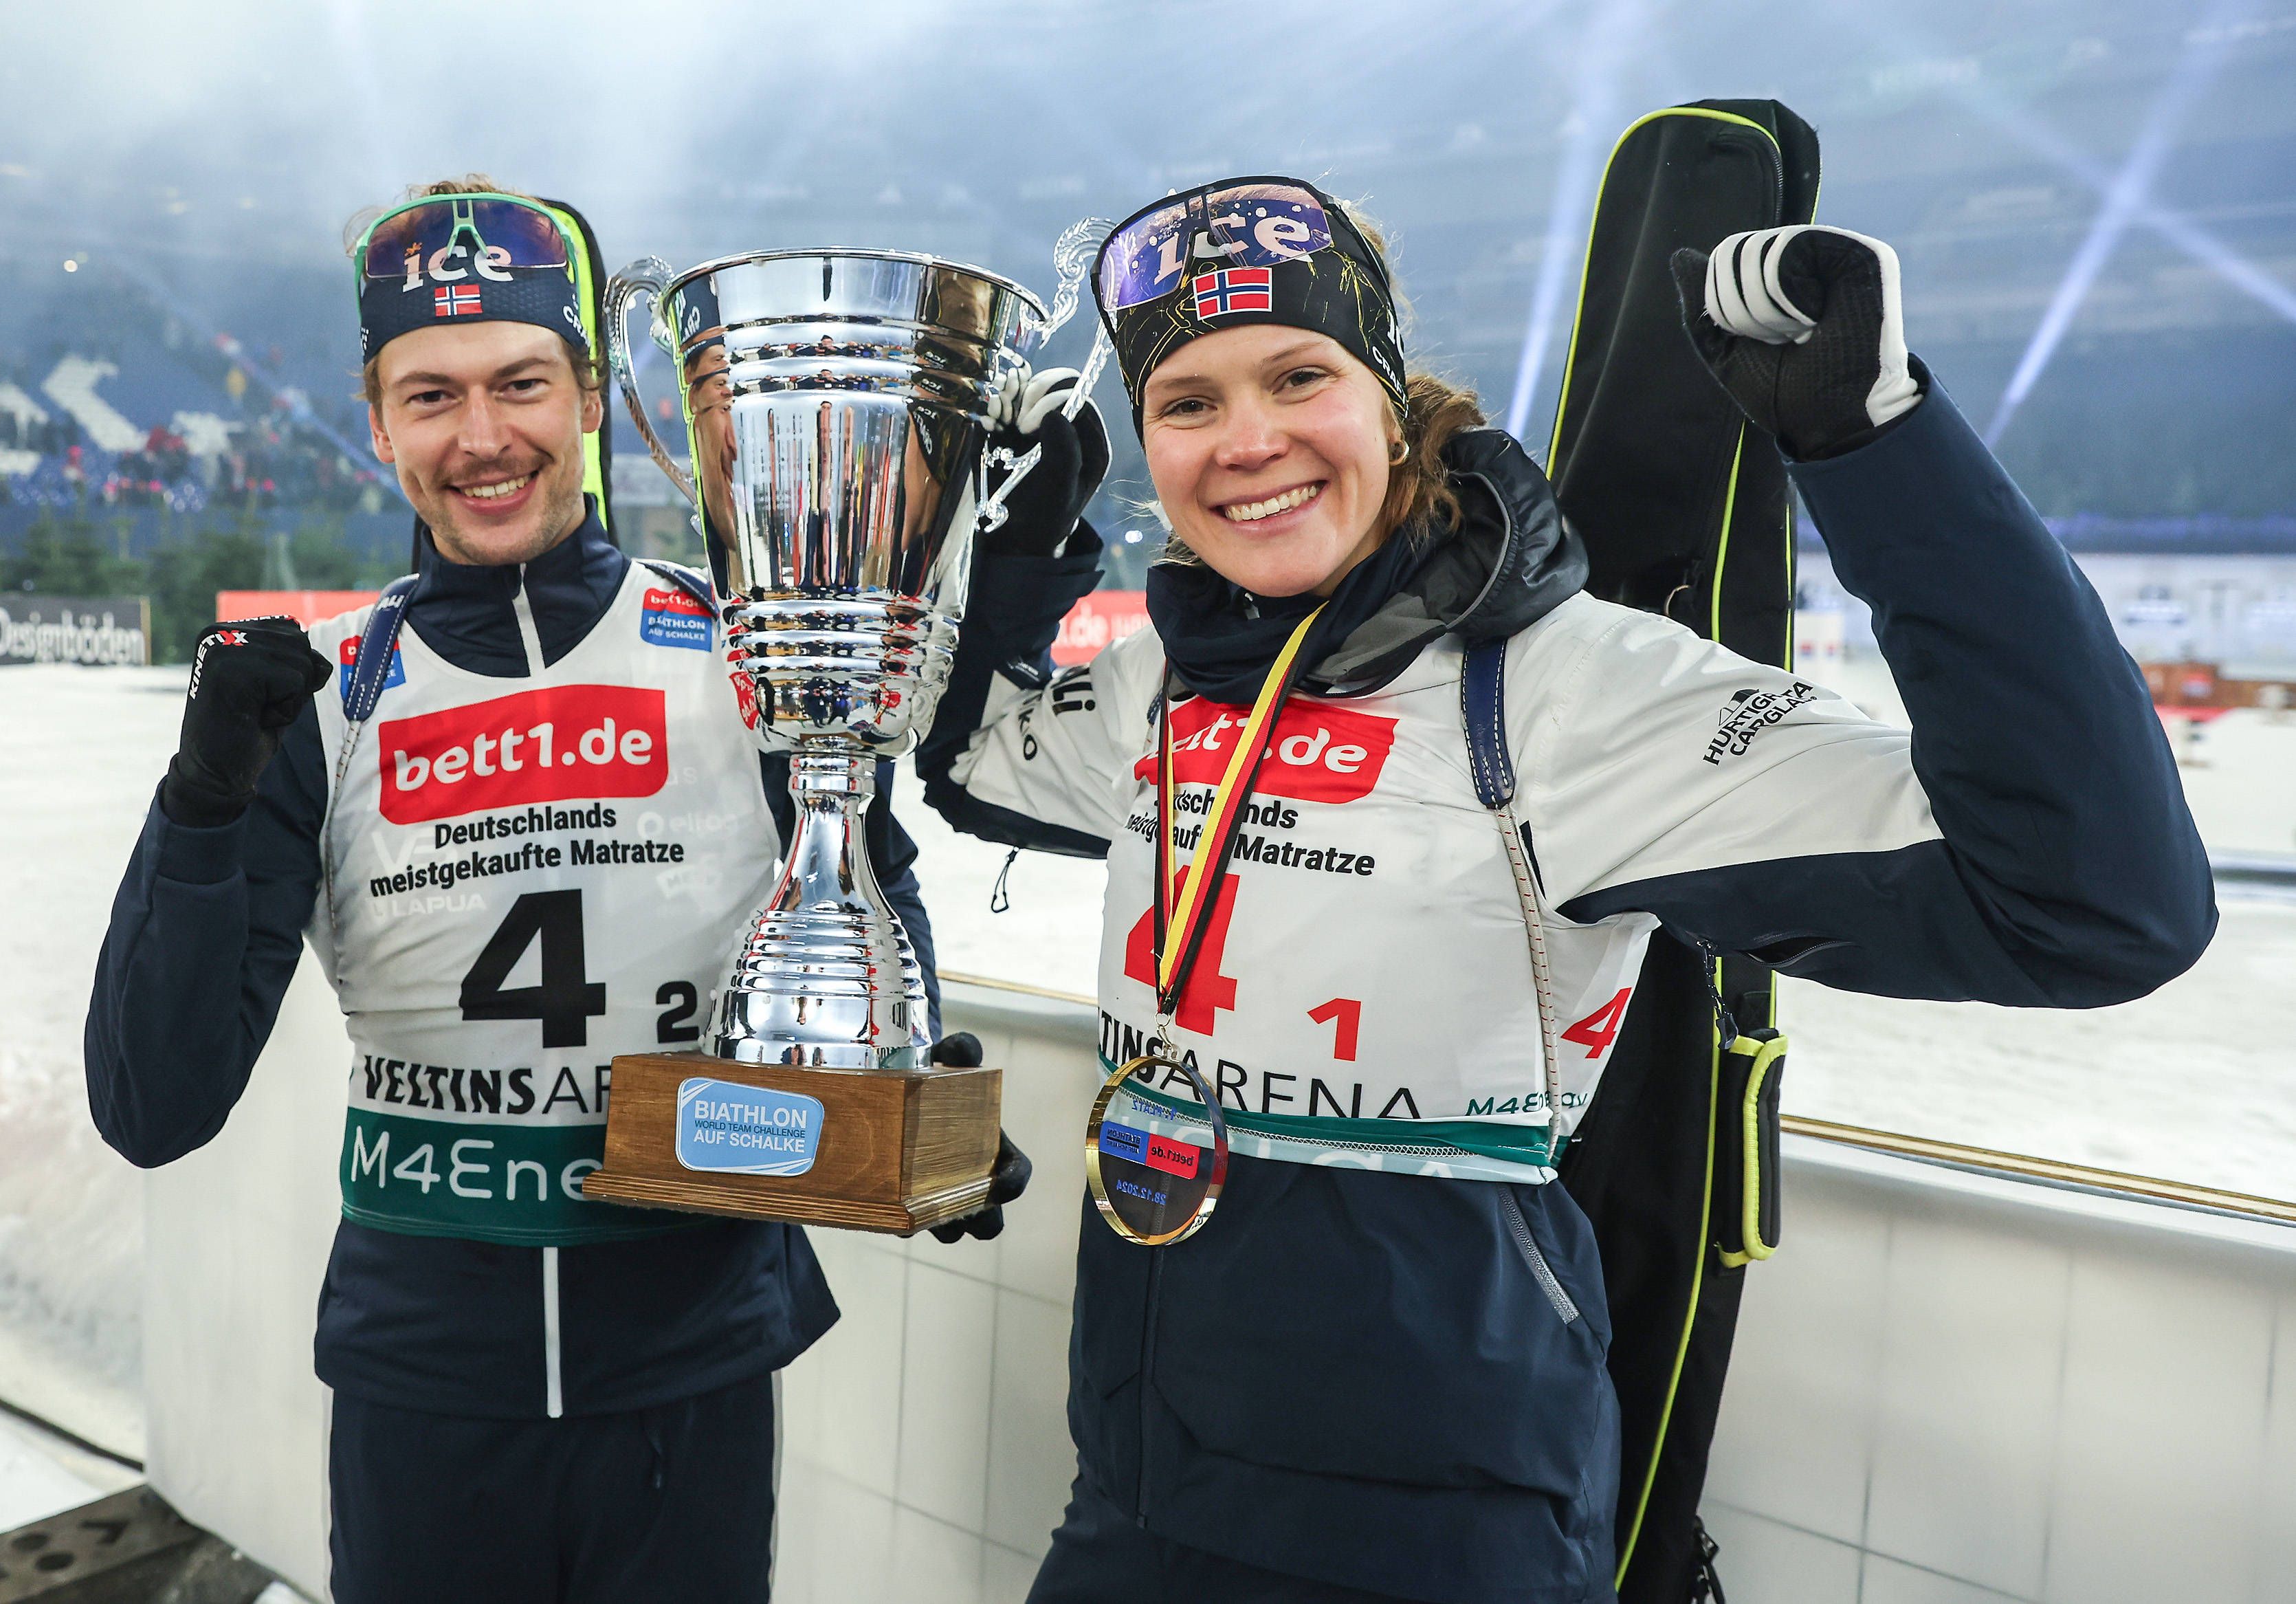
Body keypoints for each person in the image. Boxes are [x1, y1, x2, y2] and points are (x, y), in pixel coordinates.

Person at [917, 177, 2214, 1603]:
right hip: (1131, 1491)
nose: (1247, 440)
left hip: (1436, 1536)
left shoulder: (1572, 689)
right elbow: (968, 761)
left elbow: (2090, 904)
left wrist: (1879, 448)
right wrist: (1016, 545)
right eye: (1187, 402)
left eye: (1297, 376)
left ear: (1389, 398)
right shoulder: (1165, 674)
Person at [82, 178, 1046, 1603]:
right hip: (425, 1391)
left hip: (690, 1373)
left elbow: (867, 895)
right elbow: (152, 1106)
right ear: (377, 423)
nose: (482, 437)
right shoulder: (329, 702)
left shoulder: (746, 648)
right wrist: (202, 808)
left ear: (592, 398)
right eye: (431, 394)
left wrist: (912, 1103)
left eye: (521, 382)